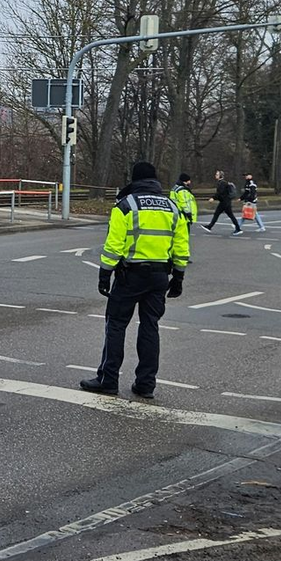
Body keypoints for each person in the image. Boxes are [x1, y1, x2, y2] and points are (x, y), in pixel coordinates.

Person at [79, 160, 189, 400]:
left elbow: (114, 245)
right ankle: (146, 384)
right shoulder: (172, 207)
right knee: (150, 327)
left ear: (134, 180)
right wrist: (179, 276)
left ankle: (108, 380)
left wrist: (104, 273)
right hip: (160, 276)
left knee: (116, 325)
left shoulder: (126, 205)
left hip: (130, 276)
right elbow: (181, 246)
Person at [200, 170, 241, 235]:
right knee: (229, 215)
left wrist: (213, 198)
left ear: (220, 176)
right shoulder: (222, 183)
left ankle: (210, 226)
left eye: (217, 174)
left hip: (224, 202)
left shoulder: (222, 183)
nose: (215, 175)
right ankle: (238, 228)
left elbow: (220, 193)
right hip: (226, 202)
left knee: (218, 214)